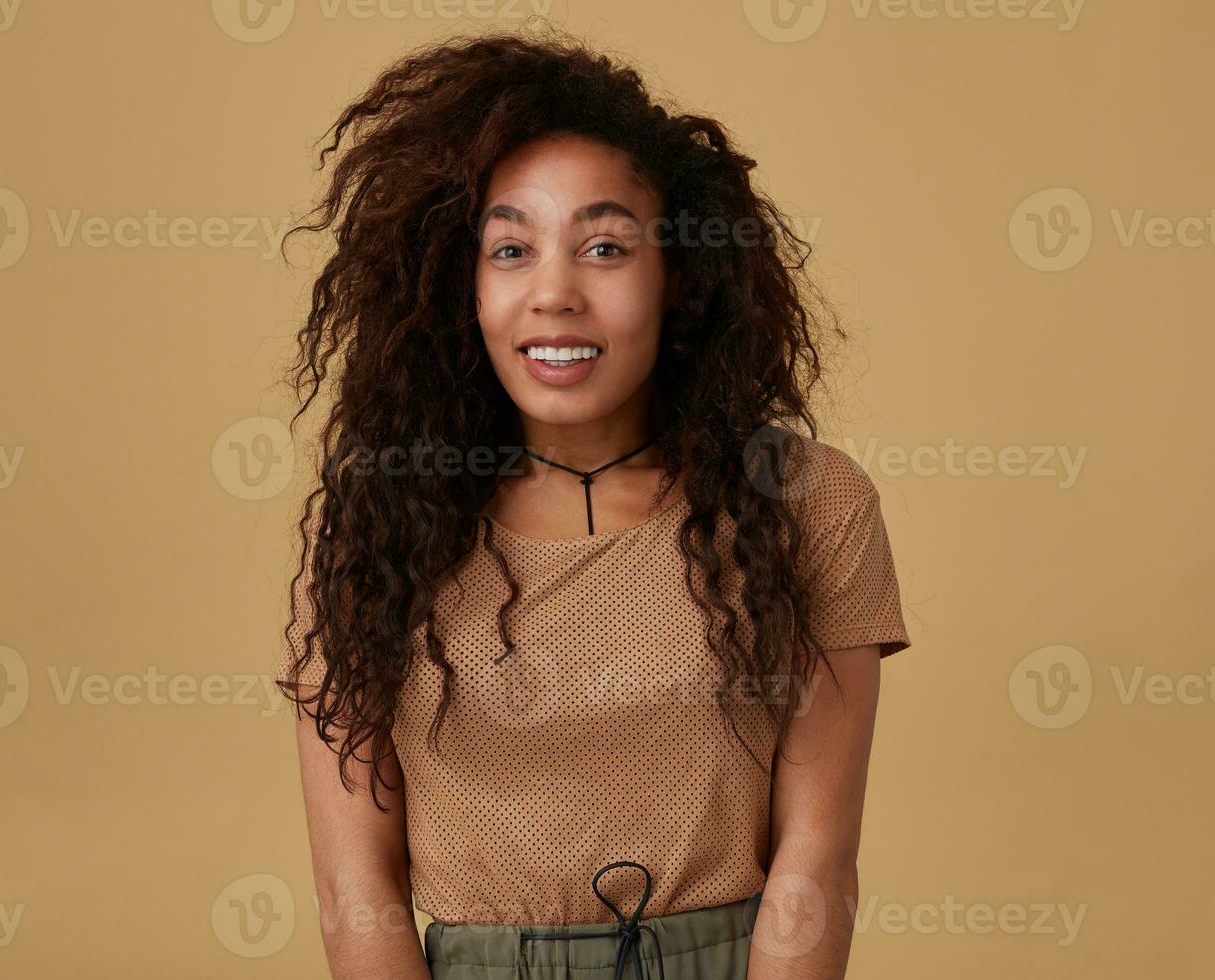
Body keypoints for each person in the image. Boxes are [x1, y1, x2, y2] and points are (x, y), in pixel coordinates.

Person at [273, 24, 913, 980]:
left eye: (605, 247)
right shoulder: (372, 528)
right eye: (511, 251)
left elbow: (816, 860)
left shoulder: (808, 503)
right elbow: (356, 888)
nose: (554, 293)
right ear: (461, 287)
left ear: (678, 278)